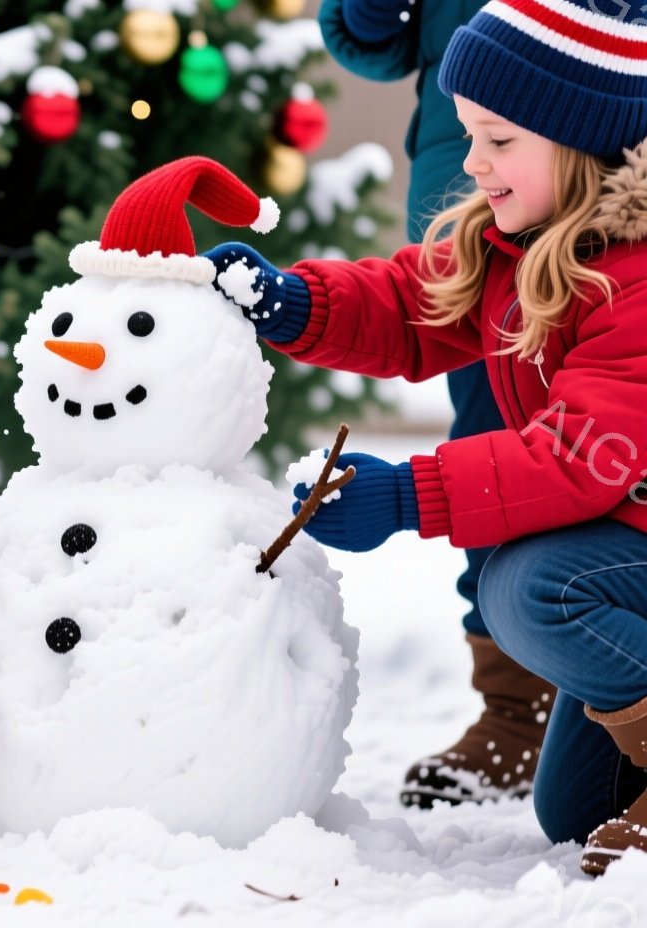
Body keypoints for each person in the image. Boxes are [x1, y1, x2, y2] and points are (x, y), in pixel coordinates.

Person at [205, 0, 647, 876]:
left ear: (580, 140)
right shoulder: (518, 243)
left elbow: (578, 458)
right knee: (576, 810)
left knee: (532, 587)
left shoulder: (634, 279)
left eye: (498, 139)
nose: (473, 161)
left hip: (619, 542)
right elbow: (412, 304)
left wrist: (407, 496)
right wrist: (291, 303)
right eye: (469, 135)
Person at [317, 0, 551, 810]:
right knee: (491, 425)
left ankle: (614, 698)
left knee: (609, 436)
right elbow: (370, 41)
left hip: (610, 165)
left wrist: (404, 497)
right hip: (471, 187)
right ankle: (520, 710)